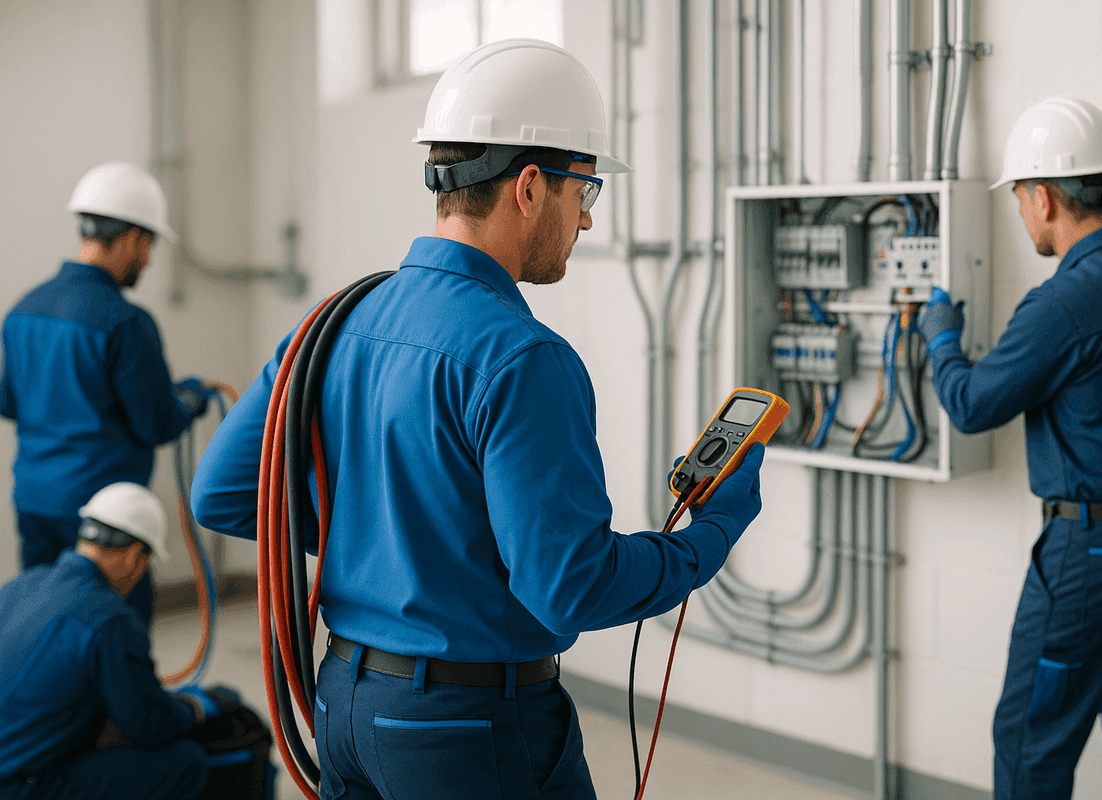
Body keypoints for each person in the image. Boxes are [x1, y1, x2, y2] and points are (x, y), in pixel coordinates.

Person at [191, 38, 765, 800]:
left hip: (345, 709)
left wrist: (372, 533)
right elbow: (570, 589)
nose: (586, 222)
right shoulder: (524, 357)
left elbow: (223, 494)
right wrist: (707, 539)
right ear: (530, 186)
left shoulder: (331, 323)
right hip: (466, 734)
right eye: (583, 193)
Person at [917, 96, 1102, 800]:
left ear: (1044, 197)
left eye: (1017, 197)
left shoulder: (1062, 305)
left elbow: (972, 405)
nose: (1018, 214)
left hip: (1094, 557)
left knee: (1030, 740)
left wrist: (940, 336)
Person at [0, 161, 210, 622]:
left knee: (43, 628)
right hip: (106, 519)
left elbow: (11, 404)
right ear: (134, 239)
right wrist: (189, 402)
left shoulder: (23, 310)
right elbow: (155, 423)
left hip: (34, 503)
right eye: (149, 245)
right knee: (113, 636)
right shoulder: (126, 323)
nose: (149, 260)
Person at [0, 482, 215, 799]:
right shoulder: (112, 619)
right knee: (185, 762)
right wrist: (192, 709)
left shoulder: (23, 584)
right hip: (16, 786)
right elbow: (147, 725)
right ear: (133, 556)